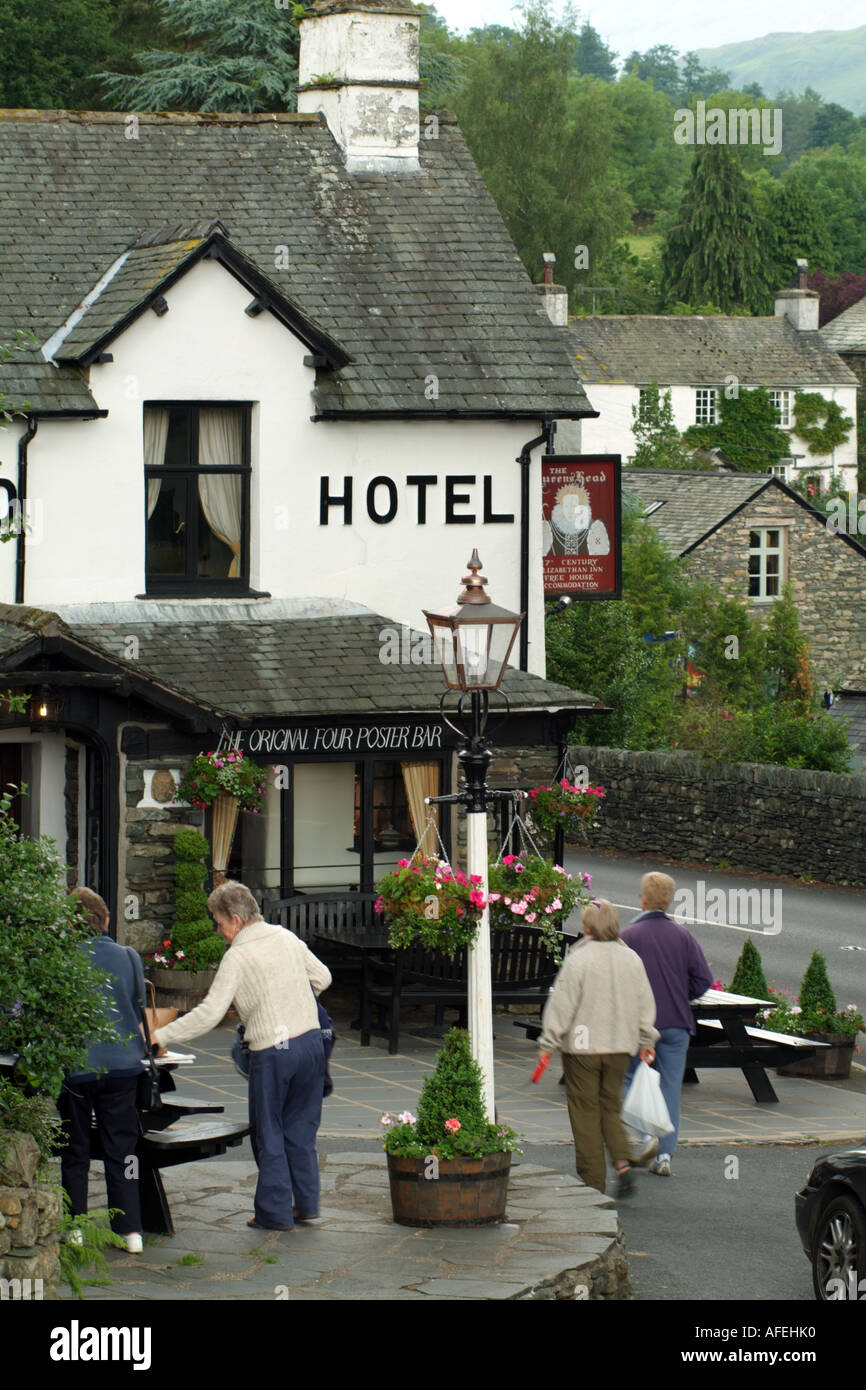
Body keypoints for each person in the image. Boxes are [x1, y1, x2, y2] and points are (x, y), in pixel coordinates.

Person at [152, 881, 332, 1231]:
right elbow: (323, 977)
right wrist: (290, 996)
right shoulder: (285, 937)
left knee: (270, 1132)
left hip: (273, 1052)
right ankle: (307, 1205)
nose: (220, 933)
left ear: (235, 919)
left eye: (219, 924)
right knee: (301, 1128)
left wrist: (162, 1034)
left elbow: (210, 1013)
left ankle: (274, 1214)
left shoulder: (237, 957)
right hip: (311, 1044)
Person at [537, 899, 658, 1199]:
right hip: (620, 1046)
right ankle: (621, 1163)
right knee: (610, 1106)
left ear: (588, 926)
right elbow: (645, 1004)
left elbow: (562, 1006)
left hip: (582, 1049)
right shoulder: (632, 959)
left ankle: (593, 1186)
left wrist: (547, 1043)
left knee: (585, 1113)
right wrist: (646, 1041)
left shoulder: (579, 959)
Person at [57, 887, 146, 1254]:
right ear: (106, 920)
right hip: (124, 1066)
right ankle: (130, 1230)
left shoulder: (60, 960)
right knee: (123, 1149)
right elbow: (139, 1009)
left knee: (75, 1149)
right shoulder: (128, 957)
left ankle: (75, 1226)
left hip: (77, 1069)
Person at [621, 872, 714, 1177]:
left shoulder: (630, 936)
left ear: (644, 899)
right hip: (676, 1023)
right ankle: (665, 1156)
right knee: (671, 1088)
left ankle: (646, 1135)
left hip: (639, 1027)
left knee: (631, 1078)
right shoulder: (683, 936)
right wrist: (679, 993)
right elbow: (703, 980)